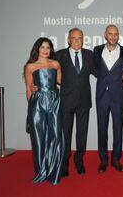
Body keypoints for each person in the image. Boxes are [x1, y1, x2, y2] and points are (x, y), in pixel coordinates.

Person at [55, 28, 96, 177]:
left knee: (82, 134)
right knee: (65, 134)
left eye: (80, 38)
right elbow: (48, 70)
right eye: (74, 38)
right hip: (66, 100)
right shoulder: (60, 55)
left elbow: (99, 72)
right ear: (69, 40)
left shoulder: (89, 55)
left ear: (83, 39)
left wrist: (119, 74)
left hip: (84, 100)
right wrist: (36, 83)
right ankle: (64, 163)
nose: (77, 41)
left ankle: (79, 161)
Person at [24, 37, 64, 184]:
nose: (46, 50)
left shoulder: (55, 64)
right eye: (42, 47)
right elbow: (29, 89)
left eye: (48, 47)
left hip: (54, 101)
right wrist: (31, 109)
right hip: (37, 103)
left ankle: (53, 171)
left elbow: (60, 81)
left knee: (56, 135)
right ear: (37, 49)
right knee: (38, 138)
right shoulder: (30, 66)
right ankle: (41, 171)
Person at [93, 25, 123, 173]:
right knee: (101, 128)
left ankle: (116, 159)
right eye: (110, 34)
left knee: (117, 128)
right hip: (101, 95)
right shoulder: (96, 50)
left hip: (118, 95)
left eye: (116, 34)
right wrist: (105, 79)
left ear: (118, 36)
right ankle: (103, 159)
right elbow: (94, 69)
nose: (113, 36)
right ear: (105, 35)